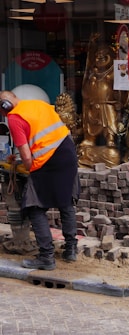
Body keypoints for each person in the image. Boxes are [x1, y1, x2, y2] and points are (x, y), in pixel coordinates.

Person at [0, 90, 79, 271]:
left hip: (47, 162)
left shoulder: (14, 118)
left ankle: (46, 257)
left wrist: (26, 168)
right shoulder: (38, 104)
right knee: (66, 202)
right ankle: (71, 249)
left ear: (5, 106)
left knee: (34, 206)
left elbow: (27, 156)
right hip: (68, 153)